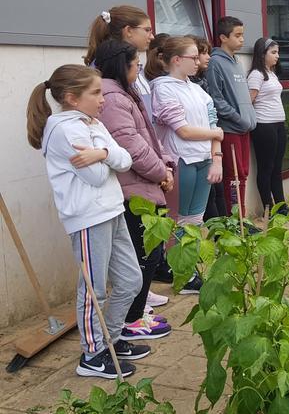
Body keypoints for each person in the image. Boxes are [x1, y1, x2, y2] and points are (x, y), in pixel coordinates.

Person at [26, 64, 148, 379]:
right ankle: (92, 355)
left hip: (112, 209)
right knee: (94, 289)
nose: (102, 99)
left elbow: (126, 159)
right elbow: (95, 177)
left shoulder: (91, 121)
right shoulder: (64, 129)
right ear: (72, 97)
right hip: (88, 218)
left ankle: (112, 337)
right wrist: (107, 156)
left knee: (131, 280)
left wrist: (102, 152)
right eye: (95, 93)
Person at [93, 40, 173, 341]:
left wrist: (165, 163)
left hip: (143, 182)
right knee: (143, 254)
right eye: (135, 63)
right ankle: (130, 321)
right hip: (134, 189)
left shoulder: (123, 92)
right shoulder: (112, 97)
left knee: (147, 253)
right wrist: (160, 171)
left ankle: (135, 314)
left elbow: (148, 136)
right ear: (122, 66)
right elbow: (130, 144)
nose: (139, 67)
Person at [151, 36, 224, 293]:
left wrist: (217, 159)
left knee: (195, 219)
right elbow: (182, 131)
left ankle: (190, 269)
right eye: (193, 57)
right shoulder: (162, 87)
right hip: (181, 159)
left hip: (204, 160)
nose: (198, 61)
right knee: (178, 220)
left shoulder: (199, 90)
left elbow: (214, 125)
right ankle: (181, 274)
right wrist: (215, 136)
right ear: (176, 60)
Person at [206, 17, 256, 215]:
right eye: (237, 35)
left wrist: (248, 118)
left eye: (242, 35)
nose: (242, 39)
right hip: (230, 128)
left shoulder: (237, 62)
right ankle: (236, 220)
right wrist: (238, 117)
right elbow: (216, 99)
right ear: (223, 38)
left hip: (244, 128)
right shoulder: (216, 63)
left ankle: (243, 219)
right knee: (233, 176)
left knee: (242, 173)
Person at [247, 37, 289, 216]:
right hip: (264, 126)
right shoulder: (256, 74)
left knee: (276, 168)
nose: (277, 56)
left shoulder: (271, 73)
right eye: (273, 52)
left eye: (277, 52)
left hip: (278, 125)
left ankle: (281, 207)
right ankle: (268, 209)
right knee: (266, 167)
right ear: (262, 54)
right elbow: (250, 101)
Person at [189, 36, 227, 220]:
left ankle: (226, 230)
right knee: (208, 197)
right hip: (197, 149)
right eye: (202, 53)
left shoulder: (202, 81)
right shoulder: (186, 87)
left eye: (206, 53)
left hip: (211, 145)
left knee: (219, 192)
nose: (207, 57)